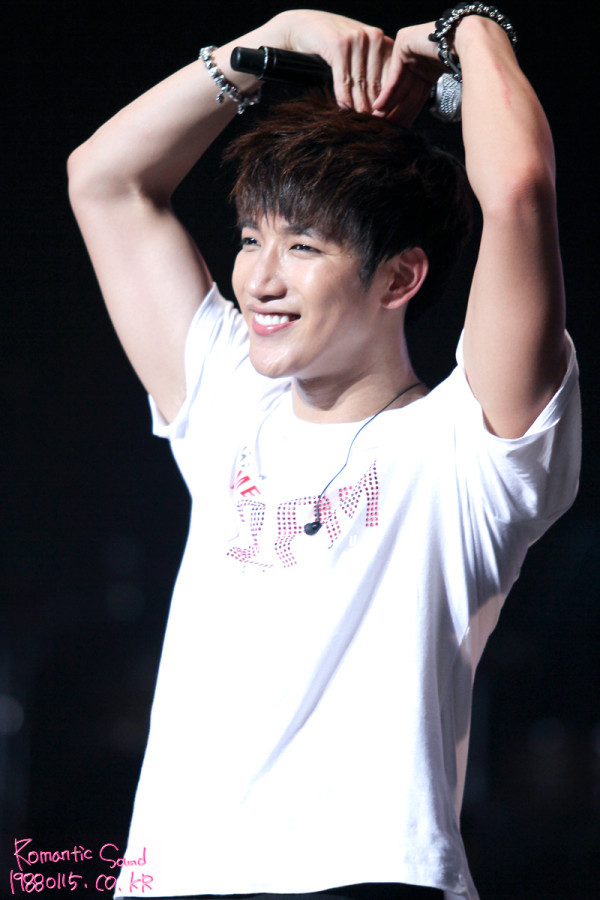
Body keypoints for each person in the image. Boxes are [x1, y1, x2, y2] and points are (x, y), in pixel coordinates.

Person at [67, 7, 581, 900]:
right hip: (172, 881)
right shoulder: (230, 401)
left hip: (369, 880)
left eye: (302, 246)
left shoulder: (466, 452)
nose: (260, 279)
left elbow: (520, 189)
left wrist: (468, 30)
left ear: (400, 276)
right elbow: (104, 180)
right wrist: (274, 40)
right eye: (251, 239)